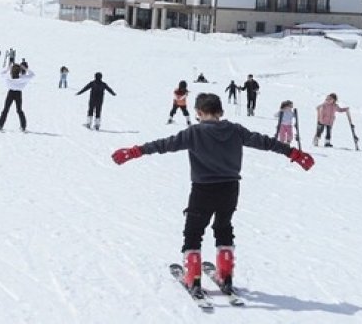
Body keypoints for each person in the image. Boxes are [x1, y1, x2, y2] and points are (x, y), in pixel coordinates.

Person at [110, 93, 314, 299]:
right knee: (223, 227)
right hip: (230, 189)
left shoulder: (194, 132)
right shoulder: (235, 130)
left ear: (198, 113)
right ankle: (225, 277)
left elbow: (164, 144)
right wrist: (293, 153)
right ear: (221, 112)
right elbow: (265, 142)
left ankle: (193, 279)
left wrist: (136, 151)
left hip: (202, 190)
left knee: (193, 232)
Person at [0, 63, 35, 132]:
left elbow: (2, 73)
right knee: (19, 110)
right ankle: (23, 127)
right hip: (18, 94)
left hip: (10, 93)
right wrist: (25, 68)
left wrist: (8, 68)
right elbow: (32, 75)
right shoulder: (23, 78)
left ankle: (0, 125)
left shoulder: (8, 77)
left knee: (5, 109)